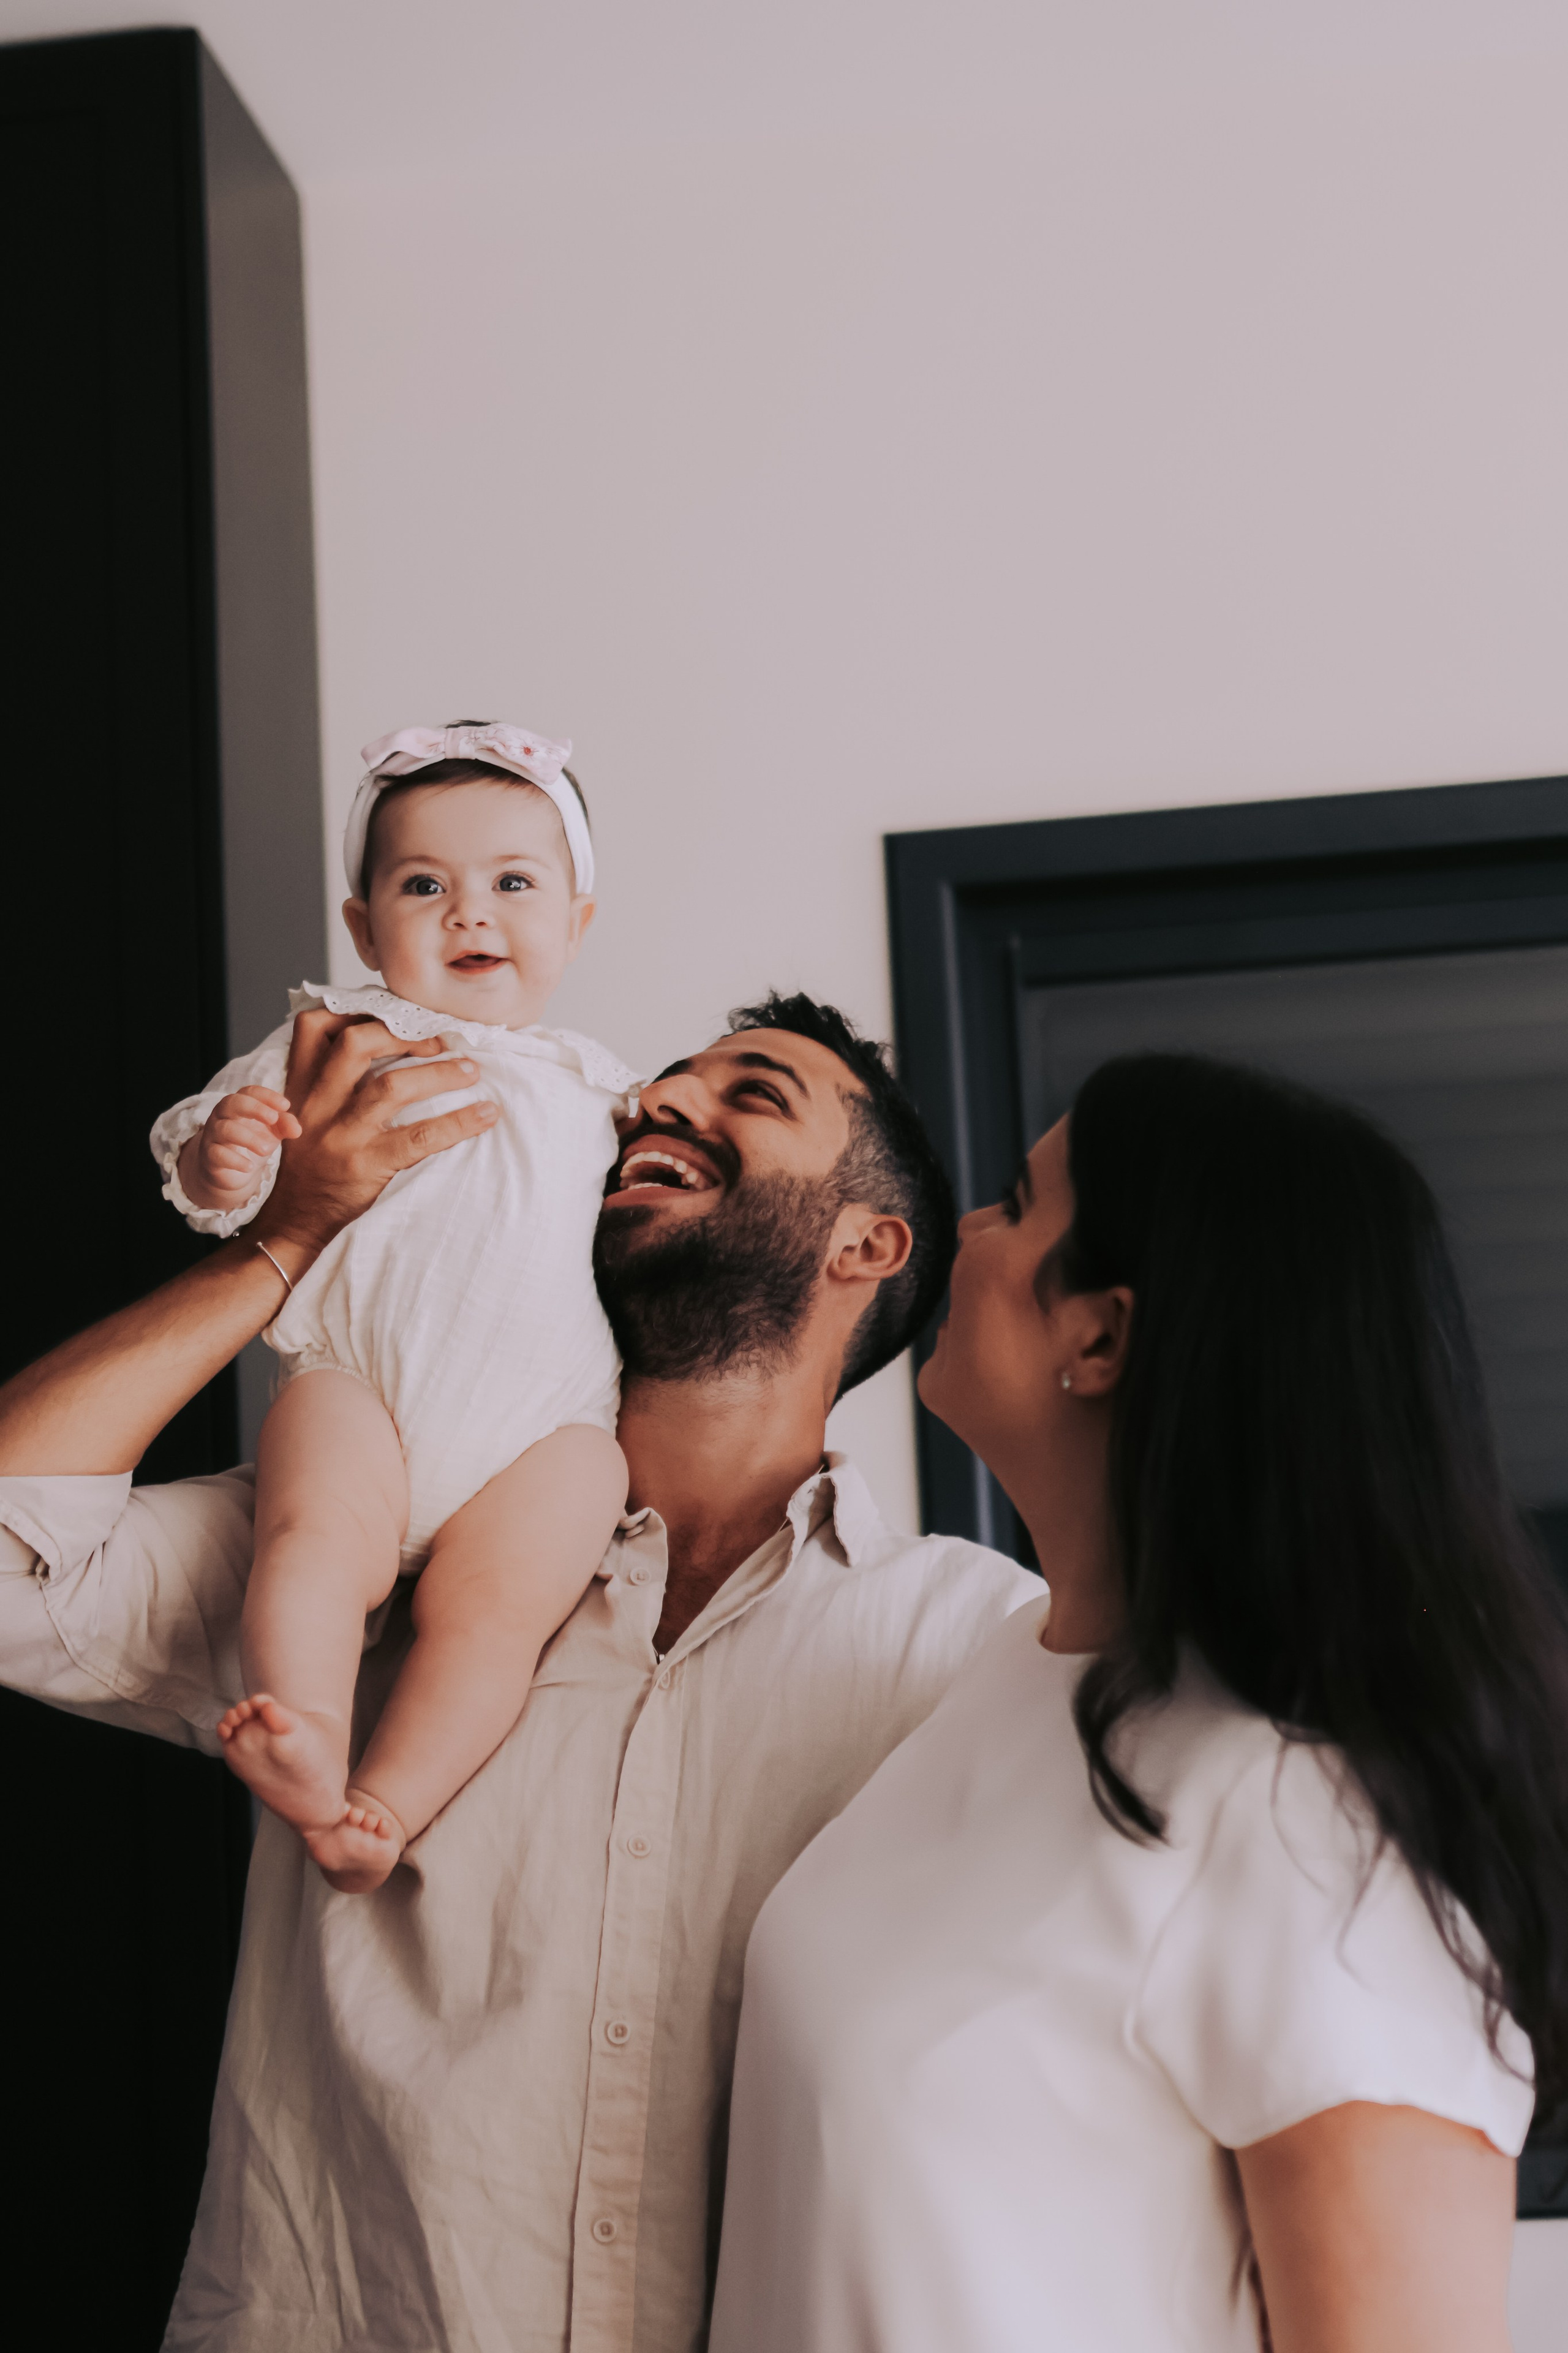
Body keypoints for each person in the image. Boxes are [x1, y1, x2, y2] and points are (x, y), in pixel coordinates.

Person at [0, 989, 1036, 2350]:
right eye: (666, 1084)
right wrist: (286, 1240)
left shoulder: (973, 1650)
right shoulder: (370, 1543)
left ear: (868, 1241)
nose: (666, 1102)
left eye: (752, 1094)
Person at [712, 1052, 1568, 2353]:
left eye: (1014, 1198)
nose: (967, 1231)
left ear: (1099, 1335)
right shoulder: (1004, 1678)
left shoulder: (1302, 1823)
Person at [148, 720, 636, 1890]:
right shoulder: (345, 1038)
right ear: (366, 928)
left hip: (543, 1426)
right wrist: (227, 1157)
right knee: (310, 1540)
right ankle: (306, 1729)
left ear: (575, 919)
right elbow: (202, 1147)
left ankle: (381, 1808)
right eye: (426, 884)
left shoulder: (607, 1086)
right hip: (363, 1381)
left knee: (499, 1615)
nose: (472, 913)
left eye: (514, 883)